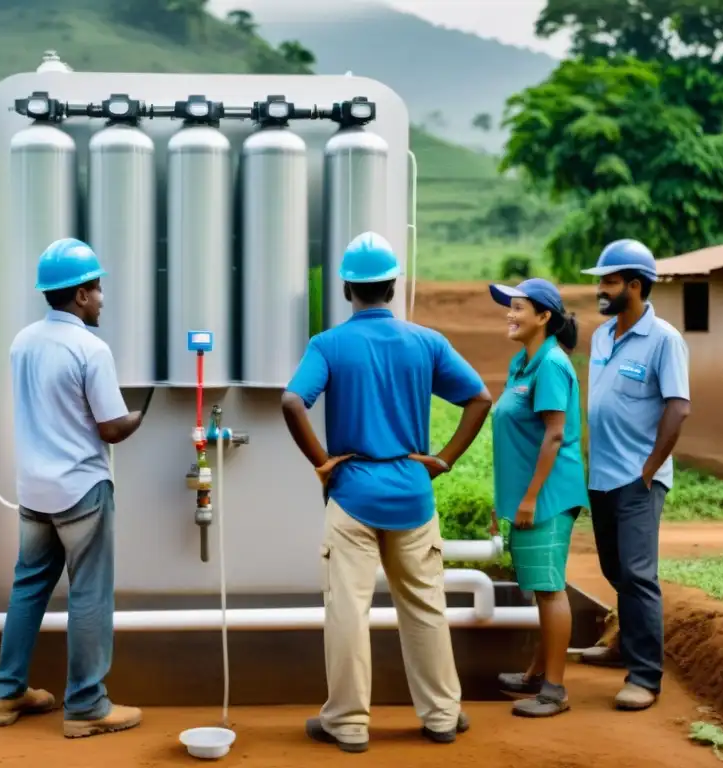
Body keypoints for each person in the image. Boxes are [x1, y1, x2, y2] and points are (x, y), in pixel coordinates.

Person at [281, 231, 493, 753]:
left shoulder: (328, 344)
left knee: (348, 611)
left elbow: (291, 402)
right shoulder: (426, 342)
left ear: (348, 287)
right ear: (393, 287)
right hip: (412, 496)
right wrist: (442, 460)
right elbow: (480, 397)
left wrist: (323, 464)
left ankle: (349, 724)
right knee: (425, 606)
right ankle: (442, 716)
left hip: (352, 495)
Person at [0, 238, 146, 739]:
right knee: (90, 595)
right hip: (81, 489)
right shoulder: (90, 348)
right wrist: (144, 413)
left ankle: (6, 691)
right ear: (79, 295)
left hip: (33, 490)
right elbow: (110, 428)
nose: (101, 298)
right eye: (97, 289)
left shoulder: (22, 341)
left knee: (28, 587)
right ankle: (86, 705)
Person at [579, 239, 691, 711]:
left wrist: (649, 470)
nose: (600, 289)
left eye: (608, 281)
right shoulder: (602, 335)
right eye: (600, 281)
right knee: (614, 569)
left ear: (635, 285)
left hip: (637, 480)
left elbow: (678, 407)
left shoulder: (664, 338)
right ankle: (623, 644)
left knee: (639, 575)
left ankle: (644, 677)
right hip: (602, 475)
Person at [486, 278, 589, 718]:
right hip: (528, 496)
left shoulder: (550, 364)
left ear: (544, 317)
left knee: (549, 589)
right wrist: (506, 500)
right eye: (509, 307)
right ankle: (535, 674)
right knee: (541, 587)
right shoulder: (522, 363)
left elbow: (554, 436)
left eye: (519, 307)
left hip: (548, 495)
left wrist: (529, 499)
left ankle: (554, 690)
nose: (509, 314)